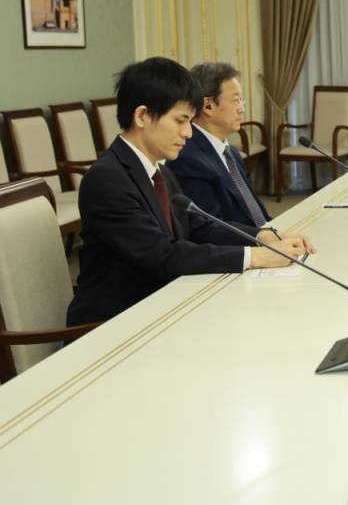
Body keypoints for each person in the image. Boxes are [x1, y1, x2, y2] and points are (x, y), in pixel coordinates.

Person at [67, 57, 312, 326]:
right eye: (180, 121)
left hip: (164, 303)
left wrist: (263, 236)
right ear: (142, 116)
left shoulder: (160, 172)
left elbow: (200, 226)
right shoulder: (107, 180)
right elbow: (163, 254)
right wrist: (256, 257)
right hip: (116, 324)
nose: (189, 133)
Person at [167, 62, 270, 228]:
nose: (241, 109)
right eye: (236, 101)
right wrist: (264, 237)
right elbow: (209, 229)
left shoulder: (231, 153)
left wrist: (277, 230)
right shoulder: (187, 159)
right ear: (208, 105)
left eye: (241, 100)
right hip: (243, 243)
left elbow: (254, 211)